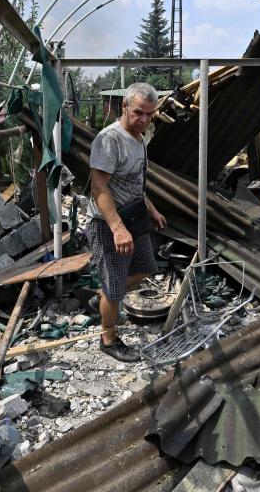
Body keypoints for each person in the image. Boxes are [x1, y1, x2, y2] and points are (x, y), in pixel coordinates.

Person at [86, 82, 167, 362]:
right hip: (108, 224)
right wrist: (117, 228)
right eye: (138, 113)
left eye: (149, 114)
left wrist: (152, 209)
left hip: (133, 218)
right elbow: (99, 189)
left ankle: (104, 296)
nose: (144, 119)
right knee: (115, 286)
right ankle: (108, 338)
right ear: (124, 106)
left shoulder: (139, 139)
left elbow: (134, 185)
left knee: (146, 267)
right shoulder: (110, 139)